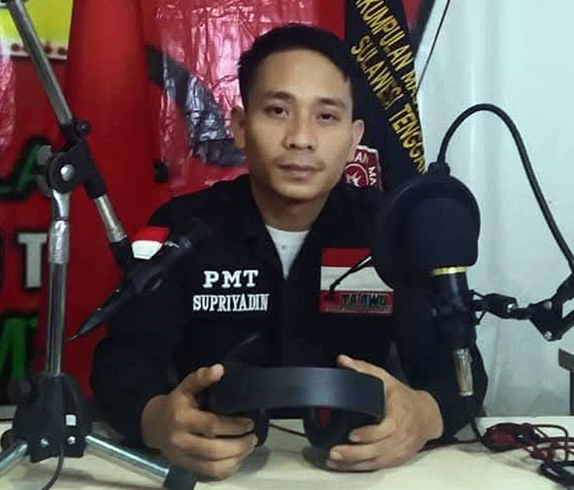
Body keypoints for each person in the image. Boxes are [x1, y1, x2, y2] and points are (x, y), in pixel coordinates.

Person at [91, 23, 487, 480]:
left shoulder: (393, 232)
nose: (301, 138)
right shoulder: (181, 227)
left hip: (356, 474)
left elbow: (461, 372)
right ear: (241, 127)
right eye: (278, 110)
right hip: (216, 475)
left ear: (354, 137)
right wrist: (156, 421)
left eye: (326, 117)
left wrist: (422, 416)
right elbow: (121, 363)